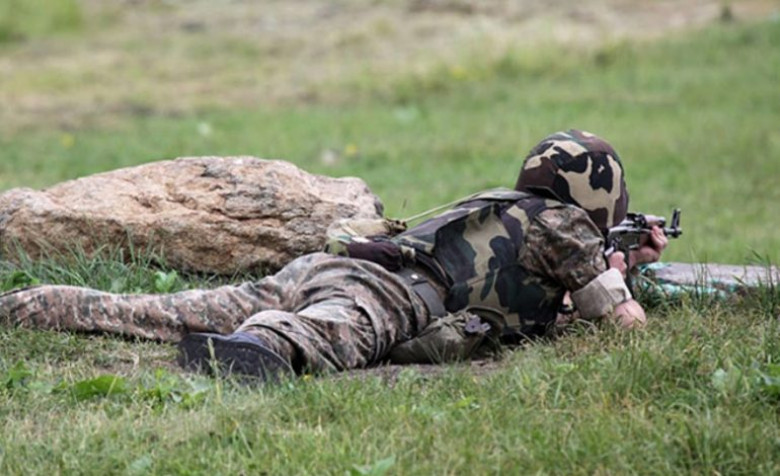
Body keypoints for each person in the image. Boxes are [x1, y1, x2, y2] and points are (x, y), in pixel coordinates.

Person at [0, 130, 668, 381]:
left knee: (161, 310)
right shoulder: (564, 226)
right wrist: (621, 277)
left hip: (328, 267)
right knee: (334, 336)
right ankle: (258, 346)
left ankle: (30, 304)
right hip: (388, 292)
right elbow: (619, 322)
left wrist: (623, 261)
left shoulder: (508, 208)